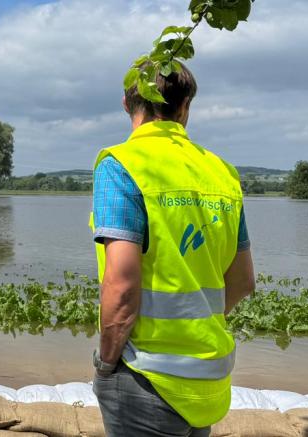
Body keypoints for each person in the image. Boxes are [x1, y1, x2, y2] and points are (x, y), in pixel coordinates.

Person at [89, 61, 255, 436]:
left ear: (127, 104)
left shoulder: (121, 166)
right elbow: (244, 281)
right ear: (184, 108)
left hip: (146, 377)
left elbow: (121, 286)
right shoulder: (222, 172)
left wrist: (106, 362)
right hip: (209, 379)